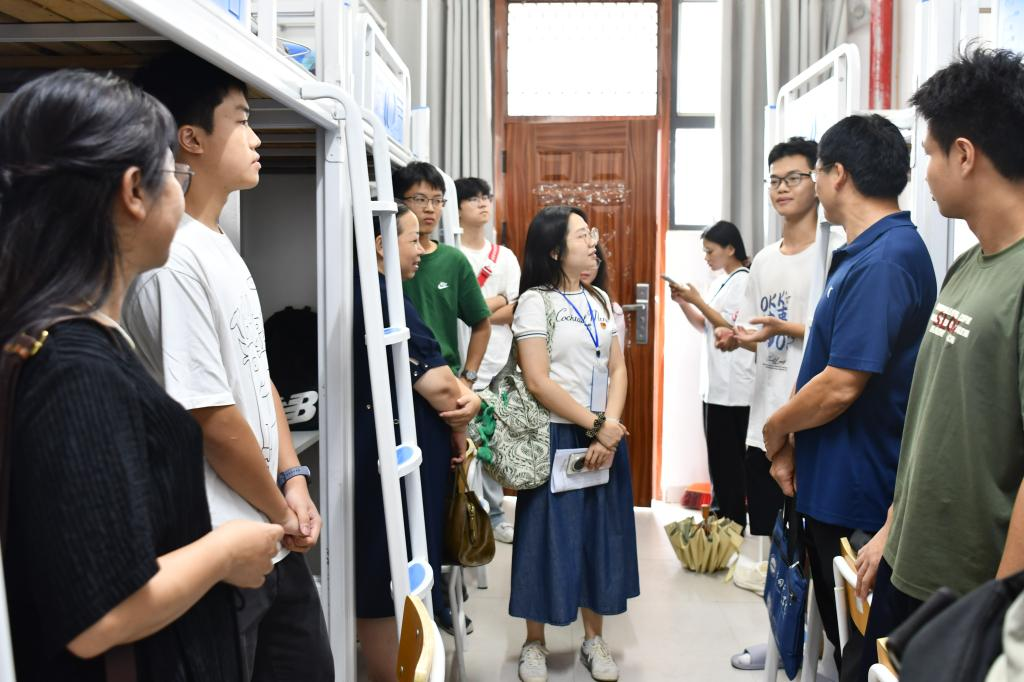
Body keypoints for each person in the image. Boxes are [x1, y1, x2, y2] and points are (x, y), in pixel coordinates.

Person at [0, 69, 282, 681]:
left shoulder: (69, 339)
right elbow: (98, 616)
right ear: (134, 191)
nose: (180, 191)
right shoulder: (75, 369)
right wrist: (226, 550)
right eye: (173, 174)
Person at [122, 51, 333, 680]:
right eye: (241, 121)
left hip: (268, 525)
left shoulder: (218, 244)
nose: (256, 137)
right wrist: (281, 510)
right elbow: (211, 418)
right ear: (191, 140)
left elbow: (257, 375)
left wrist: (294, 479)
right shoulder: (174, 260)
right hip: (219, 540)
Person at [855, 48, 1024, 680]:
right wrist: (891, 531)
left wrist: (997, 619)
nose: (923, 173)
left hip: (970, 596)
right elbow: (934, 421)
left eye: (929, 154)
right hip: (910, 565)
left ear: (965, 154)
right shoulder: (967, 266)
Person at [761, 114, 936, 679]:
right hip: (832, 478)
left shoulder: (885, 259)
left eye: (813, 172)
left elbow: (841, 384)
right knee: (842, 645)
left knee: (859, 652)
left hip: (859, 488)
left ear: (837, 174)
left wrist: (776, 428)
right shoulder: (865, 251)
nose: (812, 184)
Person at [716, 137, 842, 672]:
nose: (782, 188)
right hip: (763, 422)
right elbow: (759, 333)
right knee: (775, 549)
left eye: (793, 177)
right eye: (774, 180)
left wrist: (783, 329)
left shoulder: (833, 255)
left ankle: (823, 653)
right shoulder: (764, 261)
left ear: (819, 180)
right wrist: (738, 339)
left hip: (812, 423)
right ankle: (781, 639)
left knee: (818, 550)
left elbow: (837, 341)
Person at [511, 206, 639, 682]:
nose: (593, 241)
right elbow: (538, 381)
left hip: (603, 435)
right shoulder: (534, 302)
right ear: (555, 250)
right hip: (555, 435)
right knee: (544, 538)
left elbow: (618, 369)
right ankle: (534, 643)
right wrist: (596, 424)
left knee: (598, 537)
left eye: (591, 234)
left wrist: (610, 427)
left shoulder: (601, 299)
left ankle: (594, 639)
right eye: (582, 235)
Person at [354, 204, 480, 681]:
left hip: (390, 447)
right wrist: (466, 414)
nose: (421, 252)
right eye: (411, 240)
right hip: (397, 453)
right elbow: (442, 389)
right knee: (388, 573)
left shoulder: (366, 291)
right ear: (381, 245)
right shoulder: (383, 299)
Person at [669, 221, 755, 529]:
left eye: (711, 251)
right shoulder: (721, 281)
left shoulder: (744, 280)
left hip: (734, 389)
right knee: (718, 459)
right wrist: (684, 303)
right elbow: (705, 325)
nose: (706, 257)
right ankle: (721, 517)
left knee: (729, 461)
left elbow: (733, 329)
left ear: (731, 249)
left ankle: (731, 522)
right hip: (714, 385)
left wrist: (698, 301)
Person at [456, 176, 519, 544]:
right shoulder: (450, 253)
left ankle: (495, 515)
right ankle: (466, 517)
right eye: (473, 199)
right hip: (459, 365)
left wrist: (473, 308)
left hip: (497, 363)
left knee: (494, 444)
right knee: (463, 447)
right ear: (457, 208)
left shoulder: (504, 257)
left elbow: (515, 309)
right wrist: (493, 301)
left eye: (486, 197)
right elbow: (451, 309)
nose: (482, 204)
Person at [395, 163, 491, 383]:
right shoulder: (384, 258)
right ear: (399, 201)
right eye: (420, 199)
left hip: (444, 377)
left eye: (438, 200)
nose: (431, 208)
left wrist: (468, 378)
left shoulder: (453, 260)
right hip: (395, 375)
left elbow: (482, 324)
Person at [581, 244, 627, 352]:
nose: (587, 267)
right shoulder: (551, 302)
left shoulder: (612, 309)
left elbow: (617, 357)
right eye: (582, 260)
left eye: (593, 260)